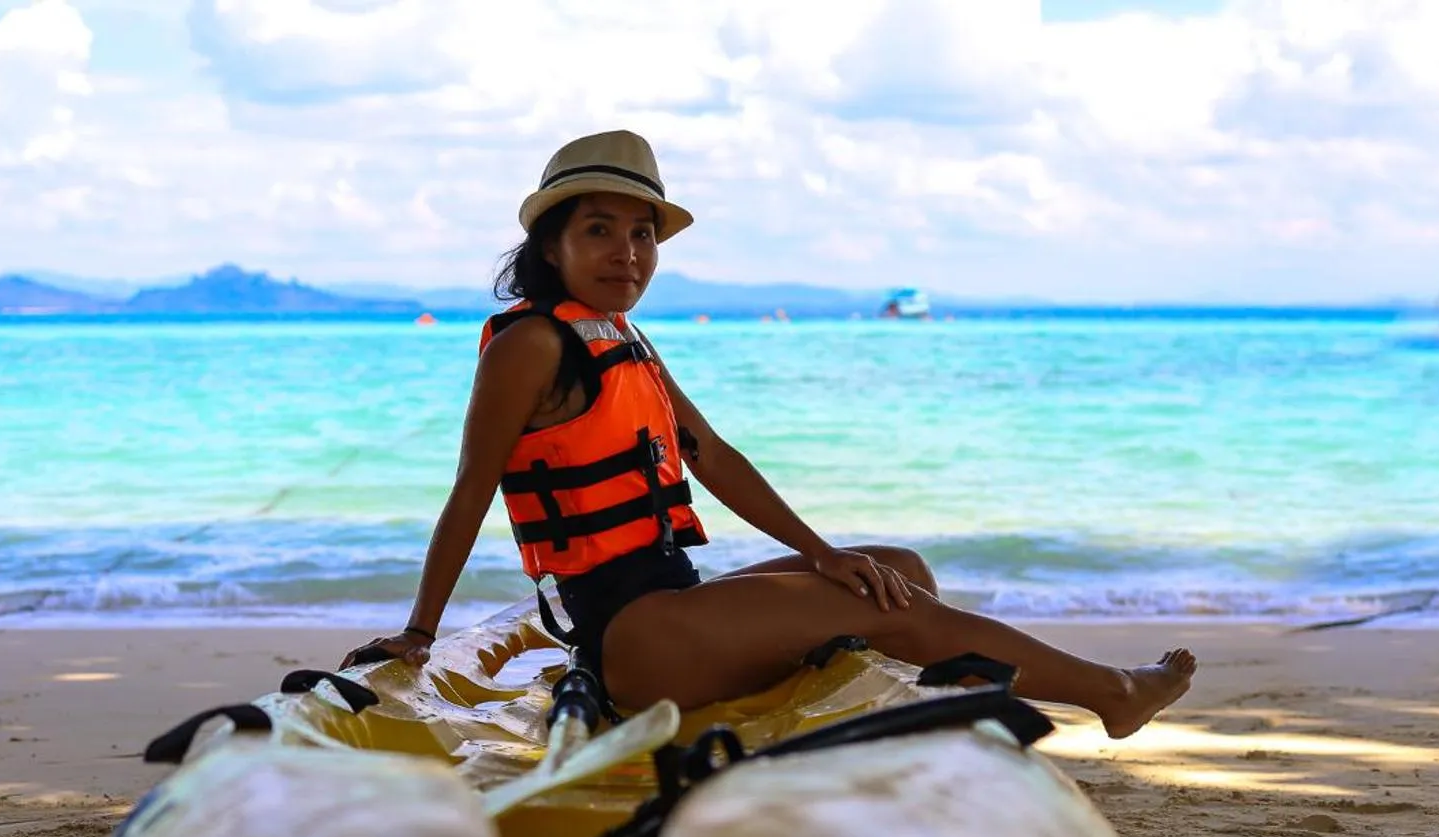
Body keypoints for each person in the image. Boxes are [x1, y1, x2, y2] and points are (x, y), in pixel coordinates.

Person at [342, 129, 1196, 738]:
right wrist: (420, 632)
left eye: (641, 233)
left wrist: (820, 550)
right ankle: (1113, 692)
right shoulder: (532, 343)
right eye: (598, 229)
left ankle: (930, 723)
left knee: (895, 571)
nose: (626, 252)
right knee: (882, 600)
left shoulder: (621, 338)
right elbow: (472, 487)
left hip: (673, 609)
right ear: (551, 244)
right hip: (634, 641)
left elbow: (713, 457)